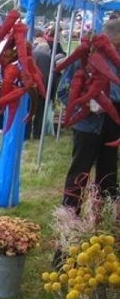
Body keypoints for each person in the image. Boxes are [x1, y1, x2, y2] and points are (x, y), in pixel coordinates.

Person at [57, 17, 119, 212]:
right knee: (80, 171)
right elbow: (63, 91)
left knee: (108, 172)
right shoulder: (85, 57)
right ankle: (68, 217)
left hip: (114, 119)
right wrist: (84, 104)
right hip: (87, 121)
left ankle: (105, 215)